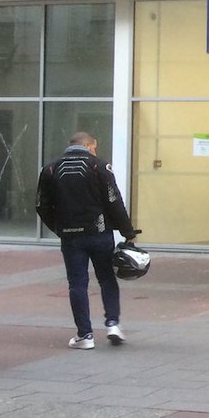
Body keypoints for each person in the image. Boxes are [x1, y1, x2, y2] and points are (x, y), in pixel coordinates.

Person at [36, 132, 139, 349]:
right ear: (89, 145)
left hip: (71, 236)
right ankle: (113, 324)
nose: (95, 151)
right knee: (106, 278)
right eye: (95, 147)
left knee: (77, 284)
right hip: (100, 233)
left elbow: (42, 206)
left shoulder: (50, 169)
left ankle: (85, 335)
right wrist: (127, 231)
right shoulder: (99, 167)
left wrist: (58, 227)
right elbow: (114, 202)